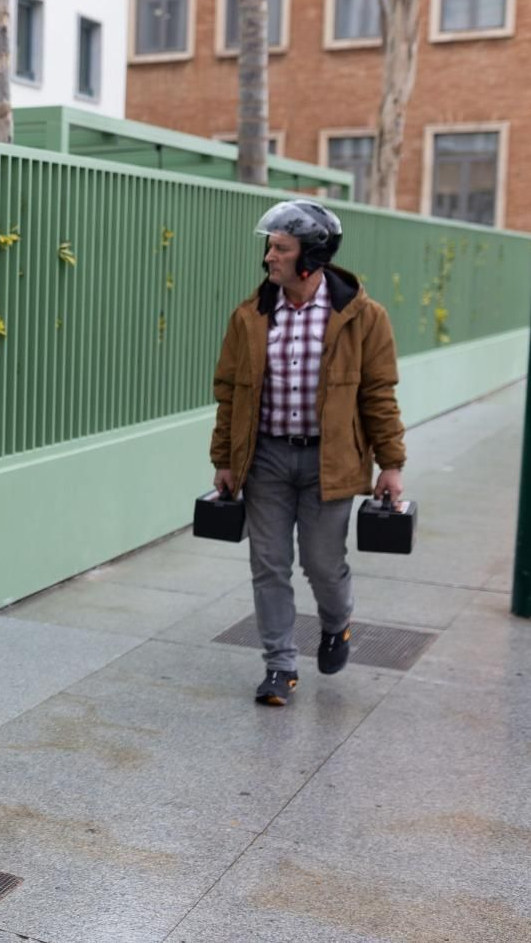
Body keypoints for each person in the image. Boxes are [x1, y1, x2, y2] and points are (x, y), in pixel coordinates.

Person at [209, 200, 407, 706]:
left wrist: (392, 464)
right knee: (269, 563)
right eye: (269, 246)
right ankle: (279, 666)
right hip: (268, 459)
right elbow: (229, 392)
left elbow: (378, 394)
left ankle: (337, 624)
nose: (268, 257)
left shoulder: (363, 317)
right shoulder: (250, 315)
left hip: (332, 461)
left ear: (310, 258)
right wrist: (225, 460)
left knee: (322, 563)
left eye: (280, 248)